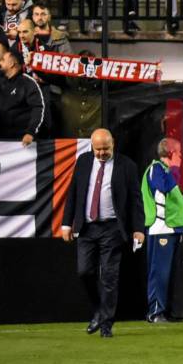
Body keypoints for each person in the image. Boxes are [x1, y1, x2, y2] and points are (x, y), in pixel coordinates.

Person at [60, 129, 146, 337]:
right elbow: (73, 193)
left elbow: (136, 200)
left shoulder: (127, 166)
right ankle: (99, 310)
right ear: (91, 146)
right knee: (85, 272)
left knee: (109, 276)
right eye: (97, 149)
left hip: (113, 228)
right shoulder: (82, 161)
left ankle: (106, 324)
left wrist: (138, 229)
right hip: (87, 227)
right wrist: (66, 223)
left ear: (113, 144)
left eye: (105, 149)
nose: (101, 153)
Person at [141, 137, 183, 324]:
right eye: (178, 153)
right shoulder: (157, 169)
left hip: (171, 228)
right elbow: (165, 189)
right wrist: (175, 169)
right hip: (161, 228)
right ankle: (155, 312)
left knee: (168, 272)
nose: (181, 157)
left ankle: (165, 310)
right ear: (170, 153)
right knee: (159, 272)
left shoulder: (166, 171)